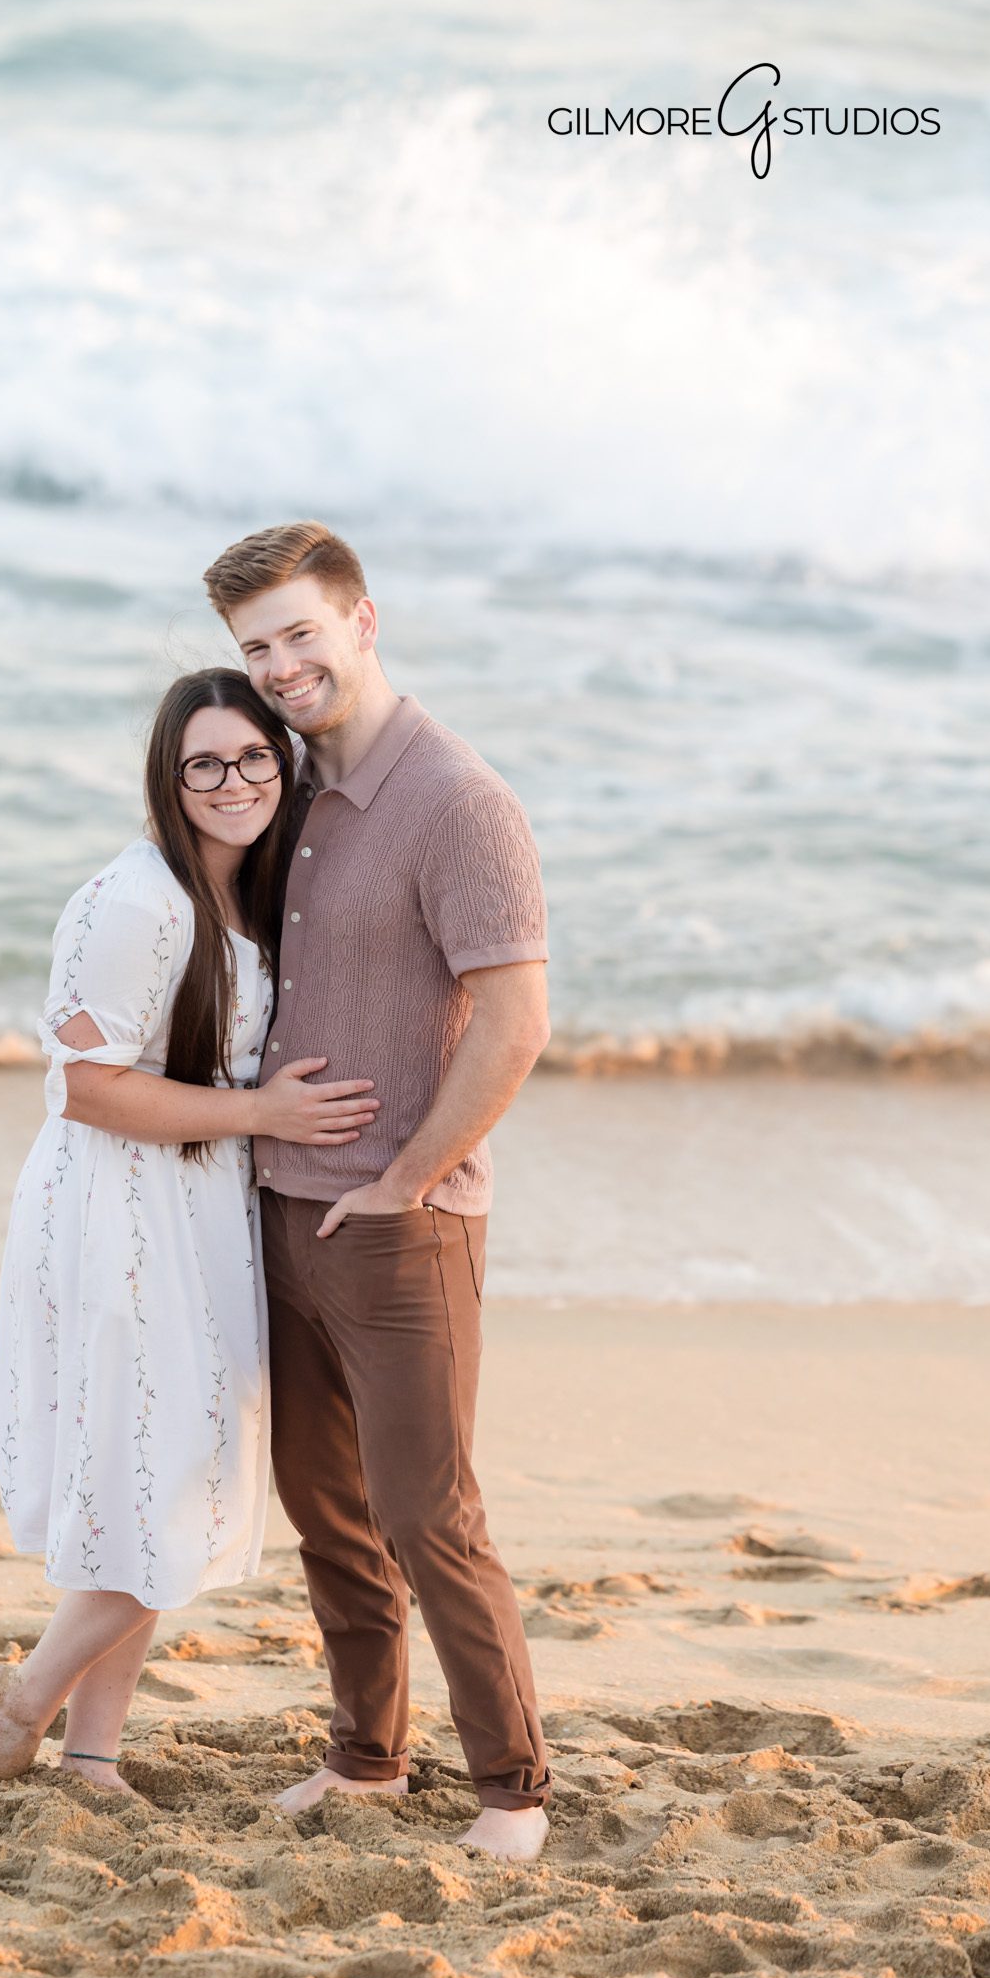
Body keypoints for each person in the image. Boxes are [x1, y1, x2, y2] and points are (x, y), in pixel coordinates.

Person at [203, 523, 553, 1863]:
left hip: (406, 1224)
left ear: (361, 620)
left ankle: (513, 1791)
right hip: (281, 1207)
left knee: (429, 1515)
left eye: (302, 633)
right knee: (327, 1510)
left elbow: (515, 1022)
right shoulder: (287, 791)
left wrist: (407, 1181)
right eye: (255, 648)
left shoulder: (459, 800)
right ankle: (365, 1760)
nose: (282, 667)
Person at [0, 668, 380, 1787]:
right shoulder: (135, 902)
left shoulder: (246, 892)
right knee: (157, 1484)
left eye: (255, 756)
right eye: (206, 762)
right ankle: (27, 1695)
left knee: (153, 1475)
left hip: (194, 1207)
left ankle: (92, 1754)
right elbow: (87, 1087)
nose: (235, 780)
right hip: (117, 1208)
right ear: (171, 772)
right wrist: (263, 1112)